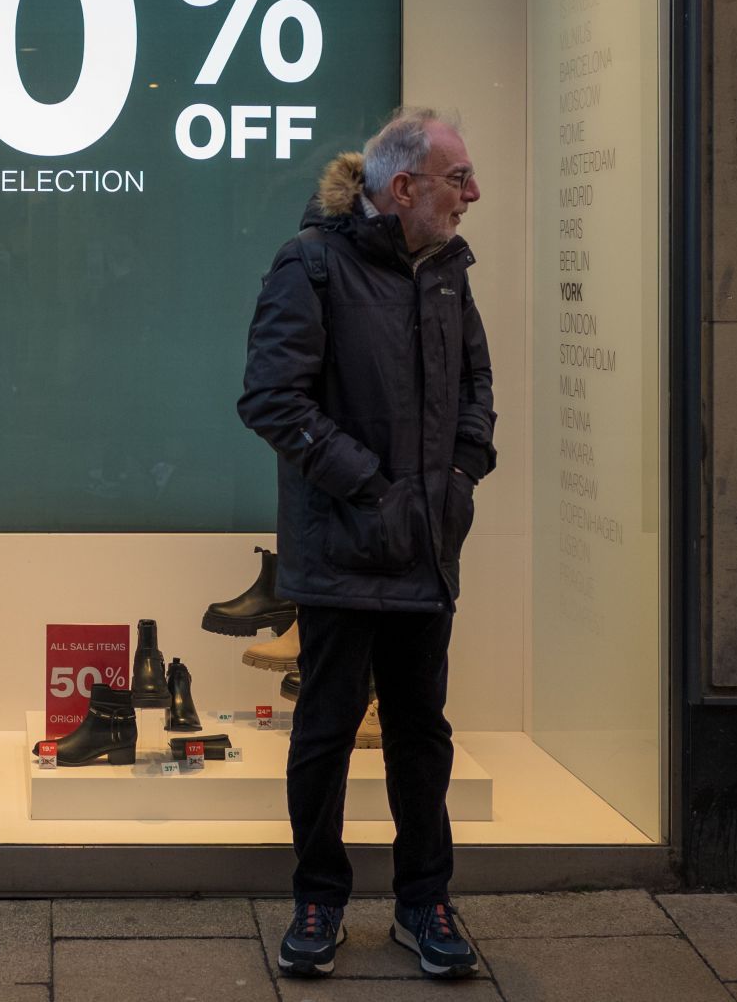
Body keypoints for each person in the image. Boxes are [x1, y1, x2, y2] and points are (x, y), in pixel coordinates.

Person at [238, 106, 495, 980]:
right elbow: (272, 397)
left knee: (422, 733)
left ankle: (425, 901)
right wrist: (375, 487)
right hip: (344, 553)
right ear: (402, 187)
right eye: (458, 178)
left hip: (424, 551)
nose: (472, 193)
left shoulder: (451, 272)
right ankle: (319, 896)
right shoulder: (310, 265)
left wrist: (460, 476)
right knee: (326, 730)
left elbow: (476, 384)